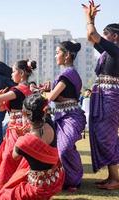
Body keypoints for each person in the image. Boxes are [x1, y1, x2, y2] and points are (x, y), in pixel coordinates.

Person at [82, 0, 119, 190]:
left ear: (115, 36)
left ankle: (115, 179)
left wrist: (89, 19)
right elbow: (90, 37)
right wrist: (91, 19)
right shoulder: (108, 51)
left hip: (109, 96)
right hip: (103, 95)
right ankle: (112, 177)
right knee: (105, 135)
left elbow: (93, 34)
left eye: (107, 33)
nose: (104, 36)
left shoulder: (116, 50)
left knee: (106, 136)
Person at [0, 93, 65, 200]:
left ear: (24, 114)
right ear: (43, 112)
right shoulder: (50, 124)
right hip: (56, 178)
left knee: (0, 197)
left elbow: (14, 156)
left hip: (37, 188)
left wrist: (23, 136)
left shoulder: (23, 142)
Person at [42, 41, 86, 191]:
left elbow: (51, 97)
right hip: (61, 115)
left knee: (65, 148)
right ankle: (68, 179)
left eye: (57, 52)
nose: (56, 55)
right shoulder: (65, 74)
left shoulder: (68, 74)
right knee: (63, 148)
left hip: (71, 116)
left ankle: (74, 179)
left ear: (67, 55)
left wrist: (38, 93)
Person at [0, 60, 36, 190]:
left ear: (21, 73)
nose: (11, 75)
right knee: (14, 156)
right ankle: (18, 181)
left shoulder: (17, 90)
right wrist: (1, 100)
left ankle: (8, 183)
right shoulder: (27, 89)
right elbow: (2, 109)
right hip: (21, 127)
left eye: (13, 71)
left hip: (18, 128)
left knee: (9, 156)